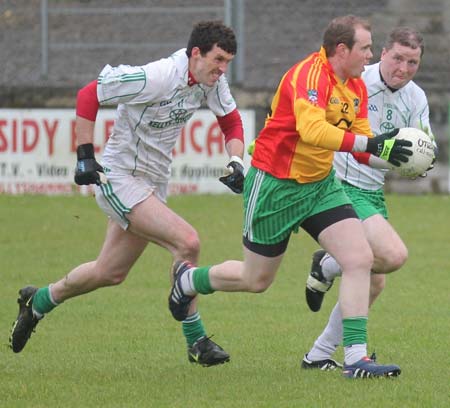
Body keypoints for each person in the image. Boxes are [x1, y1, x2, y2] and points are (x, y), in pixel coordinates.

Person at [168, 15, 413, 378]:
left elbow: (361, 146)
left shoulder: (355, 86)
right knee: (256, 280)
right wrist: (371, 142)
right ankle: (189, 281)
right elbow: (312, 130)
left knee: (359, 258)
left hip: (320, 186)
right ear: (341, 49)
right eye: (365, 48)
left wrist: (392, 154)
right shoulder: (308, 75)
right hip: (275, 186)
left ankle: (356, 359)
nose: (370, 55)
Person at [9, 20, 245, 367]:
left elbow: (231, 121)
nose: (223, 69)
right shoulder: (158, 76)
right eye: (219, 60)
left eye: (228, 62)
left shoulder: (210, 80)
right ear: (196, 53)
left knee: (109, 272)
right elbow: (89, 94)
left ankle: (39, 302)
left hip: (152, 183)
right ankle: (196, 340)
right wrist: (85, 155)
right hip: (121, 178)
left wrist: (236, 159)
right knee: (187, 243)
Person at [301, 27, 437, 371]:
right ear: (383, 54)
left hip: (373, 191)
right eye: (397, 59)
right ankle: (329, 264)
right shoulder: (359, 83)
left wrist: (422, 160)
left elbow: (423, 144)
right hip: (341, 184)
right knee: (392, 255)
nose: (403, 69)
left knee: (374, 280)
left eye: (412, 62)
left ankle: (319, 353)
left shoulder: (415, 97)